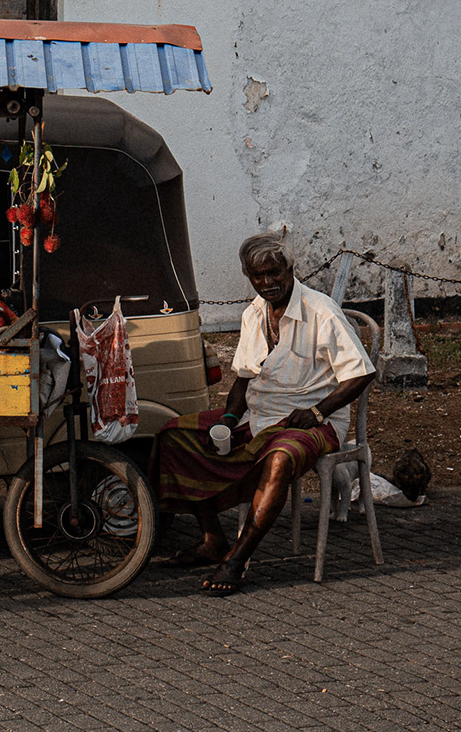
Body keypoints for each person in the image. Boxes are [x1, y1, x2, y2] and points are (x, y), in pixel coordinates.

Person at [151, 233, 376, 595]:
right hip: (260, 415)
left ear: (290, 269)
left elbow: (362, 372)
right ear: (248, 276)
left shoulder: (321, 312)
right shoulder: (253, 313)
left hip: (315, 420)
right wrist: (226, 420)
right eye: (258, 276)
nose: (268, 283)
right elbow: (243, 378)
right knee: (176, 435)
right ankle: (213, 540)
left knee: (279, 459)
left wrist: (318, 411)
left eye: (275, 273)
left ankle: (237, 560)